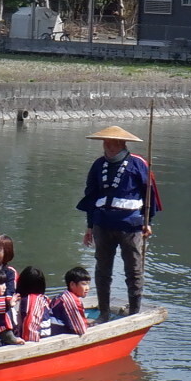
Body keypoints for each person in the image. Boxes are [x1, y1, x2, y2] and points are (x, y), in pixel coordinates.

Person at [77, 124, 160, 319]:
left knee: (133, 269)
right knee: (102, 269)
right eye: (106, 143)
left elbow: (150, 194)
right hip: (102, 223)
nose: (109, 147)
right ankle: (104, 312)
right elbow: (91, 195)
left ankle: (134, 311)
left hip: (130, 225)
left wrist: (148, 222)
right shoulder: (98, 165)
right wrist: (89, 226)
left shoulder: (138, 163)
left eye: (113, 144)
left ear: (122, 144)